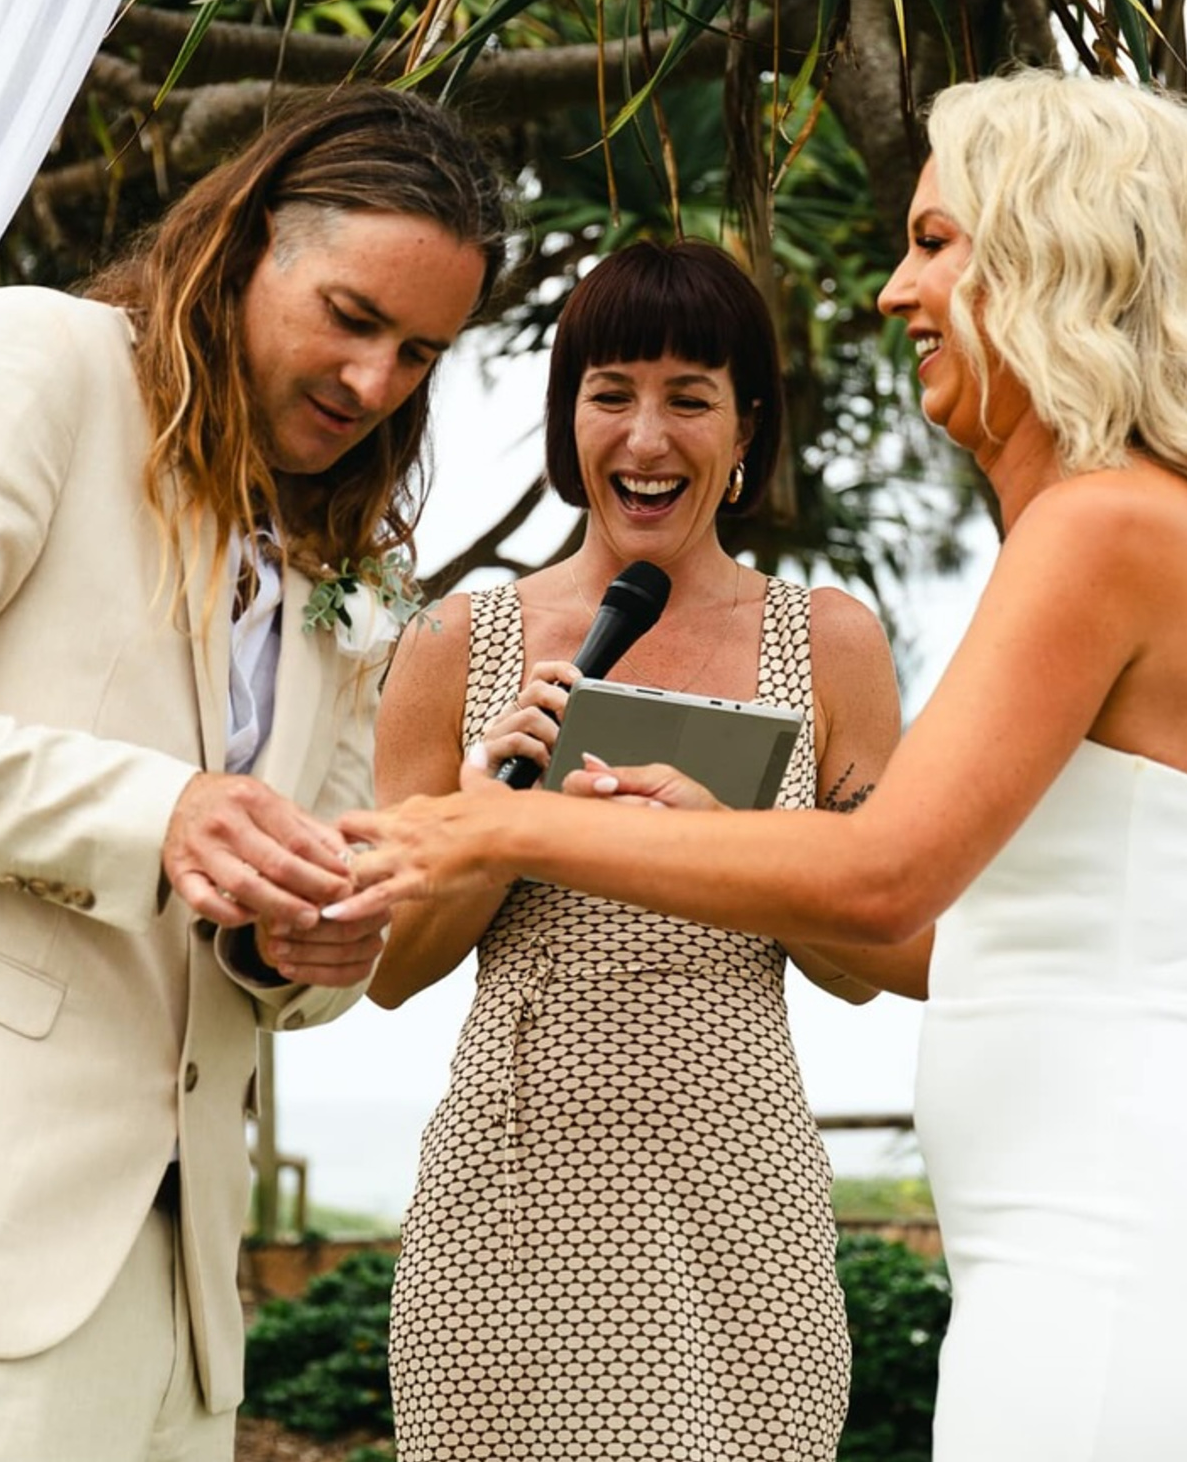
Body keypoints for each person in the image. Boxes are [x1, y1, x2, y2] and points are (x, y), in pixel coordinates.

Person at [339, 73, 1187, 1459]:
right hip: (1070, 1222)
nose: (894, 290)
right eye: (607, 392)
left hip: (1105, 1225)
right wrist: (675, 828)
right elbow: (957, 907)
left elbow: (885, 877)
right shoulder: (1102, 526)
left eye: (934, 239)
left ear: (1049, 248)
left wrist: (511, 832)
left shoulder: (1101, 529)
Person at [0, 85, 511, 1462]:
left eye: (421, 353)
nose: (377, 381)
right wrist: (156, 810)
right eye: (352, 317)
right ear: (253, 238)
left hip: (182, 1284)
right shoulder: (31, 360)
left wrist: (302, 936)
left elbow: (296, 907)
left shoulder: (350, 556)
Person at [366, 238, 904, 1461]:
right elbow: (390, 970)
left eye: (689, 397)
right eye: (610, 394)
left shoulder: (831, 642)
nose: (646, 437)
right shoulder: (456, 640)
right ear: (567, 423)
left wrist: (747, 851)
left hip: (737, 1202)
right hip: (511, 1209)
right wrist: (490, 824)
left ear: (748, 426)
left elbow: (878, 953)